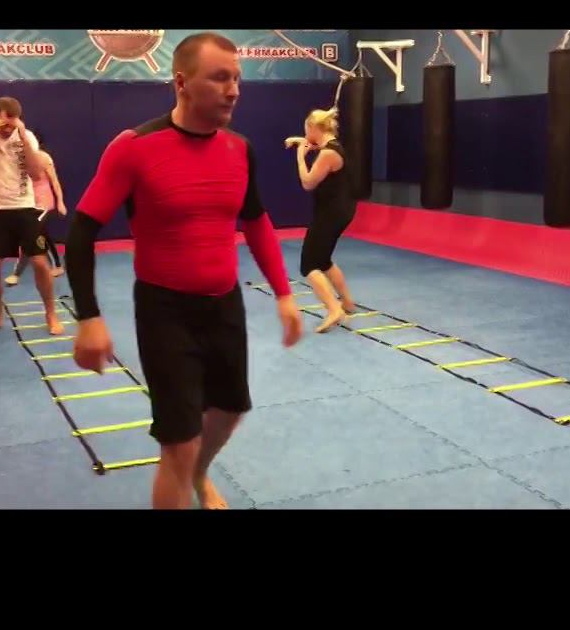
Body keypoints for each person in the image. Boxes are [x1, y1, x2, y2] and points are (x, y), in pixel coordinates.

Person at [65, 32, 304, 510]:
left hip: (225, 304)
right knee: (179, 442)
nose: (233, 90)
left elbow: (256, 221)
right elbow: (81, 232)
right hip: (165, 311)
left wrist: (283, 293)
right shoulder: (134, 147)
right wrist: (88, 317)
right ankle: (187, 468)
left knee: (230, 411)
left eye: (237, 78)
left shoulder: (239, 149)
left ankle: (199, 473)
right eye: (219, 78)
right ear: (181, 82)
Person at [0, 97, 63, 336]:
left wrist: (24, 140)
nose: (8, 129)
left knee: (40, 263)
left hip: (25, 207)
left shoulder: (26, 136)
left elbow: (35, 173)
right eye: (4, 124)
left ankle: (51, 314)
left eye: (13, 123)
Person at [284, 107, 358, 332]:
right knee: (324, 260)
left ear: (314, 128)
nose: (306, 135)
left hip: (331, 213)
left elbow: (308, 182)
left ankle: (334, 309)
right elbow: (313, 144)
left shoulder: (327, 155)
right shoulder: (333, 145)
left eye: (306, 130)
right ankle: (348, 302)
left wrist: (300, 156)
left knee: (309, 265)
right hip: (339, 210)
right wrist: (299, 141)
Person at [6, 129, 67, 285]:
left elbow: (54, 181)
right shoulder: (19, 159)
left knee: (31, 235)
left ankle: (17, 273)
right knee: (41, 235)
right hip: (29, 203)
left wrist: (60, 202)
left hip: (44, 202)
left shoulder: (43, 158)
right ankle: (57, 265)